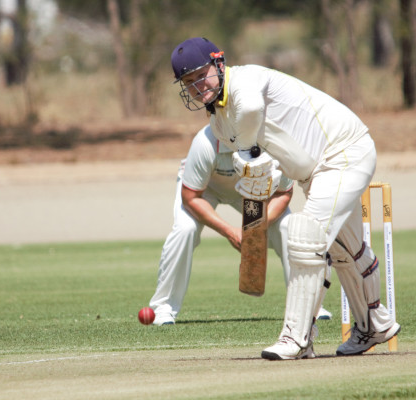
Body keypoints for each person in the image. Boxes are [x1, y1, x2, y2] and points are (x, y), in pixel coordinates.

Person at [169, 37, 400, 359]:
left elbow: (251, 109)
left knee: (305, 239)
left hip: (343, 152)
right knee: (345, 249)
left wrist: (246, 151)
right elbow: (263, 169)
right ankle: (375, 323)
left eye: (200, 75)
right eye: (188, 82)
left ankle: (297, 337)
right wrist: (256, 195)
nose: (197, 86)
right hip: (314, 173)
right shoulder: (219, 124)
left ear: (219, 63)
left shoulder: (246, 80)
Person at [149, 124, 333, 325]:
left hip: (251, 191)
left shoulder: (272, 142)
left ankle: (309, 306)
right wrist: (230, 232)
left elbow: (283, 193)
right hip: (204, 189)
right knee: (185, 230)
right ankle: (163, 307)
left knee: (288, 227)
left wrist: (256, 229)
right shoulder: (205, 142)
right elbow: (190, 198)